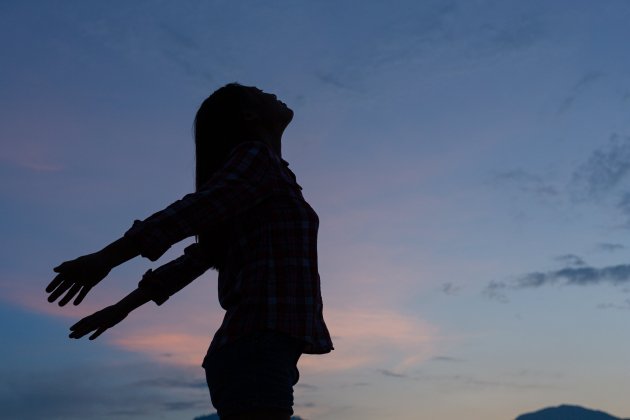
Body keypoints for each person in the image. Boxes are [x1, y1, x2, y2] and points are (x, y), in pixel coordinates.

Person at [45, 83, 334, 420]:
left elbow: (198, 258)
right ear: (250, 114)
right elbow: (195, 210)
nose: (272, 93)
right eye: (259, 93)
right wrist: (106, 258)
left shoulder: (271, 175)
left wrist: (120, 308)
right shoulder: (257, 159)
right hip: (256, 348)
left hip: (262, 350)